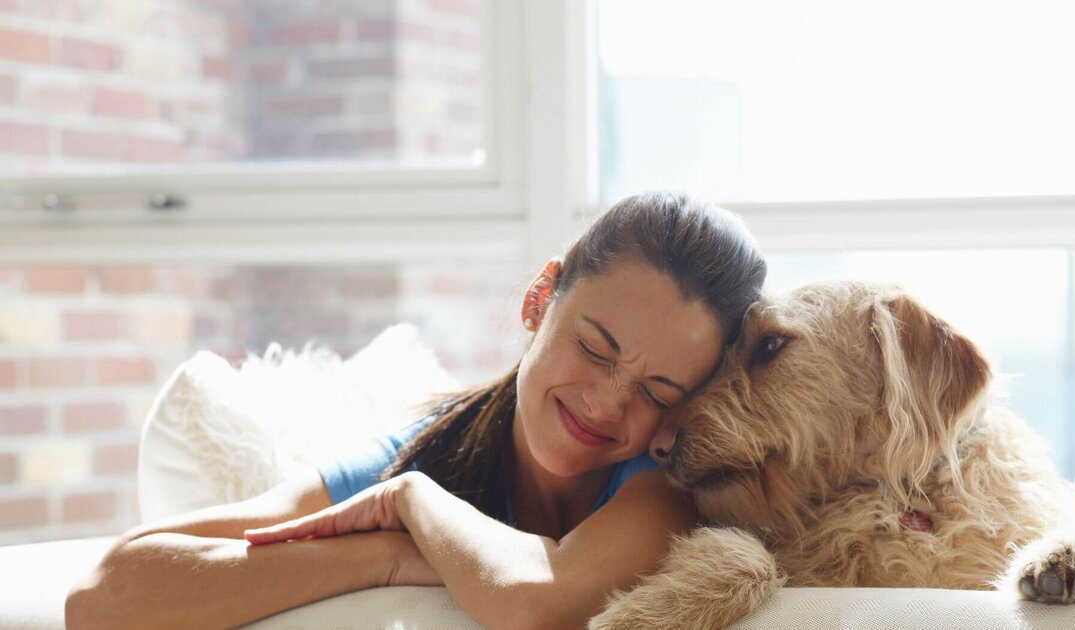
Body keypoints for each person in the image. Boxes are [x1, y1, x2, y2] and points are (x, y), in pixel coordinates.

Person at [65, 191, 768, 630]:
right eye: (595, 346)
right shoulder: (433, 446)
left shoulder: (664, 487)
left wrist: (411, 506)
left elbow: (540, 606)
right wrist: (385, 556)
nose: (608, 402)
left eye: (657, 393)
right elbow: (103, 597)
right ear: (538, 298)